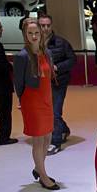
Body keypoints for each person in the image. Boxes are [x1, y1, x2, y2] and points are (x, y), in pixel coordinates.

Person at [13, 18, 60, 190]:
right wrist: (21, 101)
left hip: (46, 99)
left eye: (36, 33)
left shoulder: (46, 53)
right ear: (25, 35)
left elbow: (48, 75)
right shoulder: (22, 56)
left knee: (47, 137)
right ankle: (43, 176)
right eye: (30, 33)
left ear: (41, 34)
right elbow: (18, 84)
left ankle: (37, 168)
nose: (34, 36)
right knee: (38, 140)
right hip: (32, 102)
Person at [38, 14, 75, 155]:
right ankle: (64, 130)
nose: (45, 28)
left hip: (58, 82)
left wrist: (57, 67)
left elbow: (72, 60)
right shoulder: (35, 43)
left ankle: (55, 142)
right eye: (42, 25)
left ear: (51, 26)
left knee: (55, 111)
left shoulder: (61, 43)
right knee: (48, 111)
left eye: (48, 25)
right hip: (41, 83)